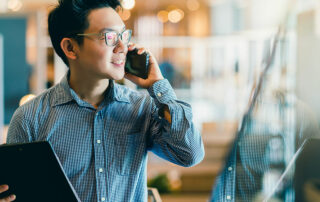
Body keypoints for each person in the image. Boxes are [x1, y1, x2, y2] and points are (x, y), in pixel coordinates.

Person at [0, 0, 204, 201]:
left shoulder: (141, 107)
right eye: (110, 37)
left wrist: (158, 85)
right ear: (70, 48)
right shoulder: (30, 118)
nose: (123, 47)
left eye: (124, 35)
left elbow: (190, 155)